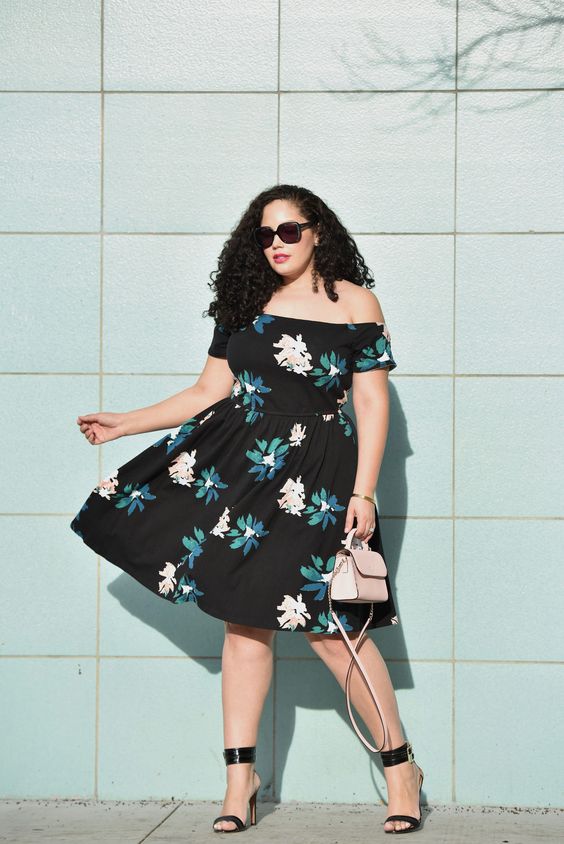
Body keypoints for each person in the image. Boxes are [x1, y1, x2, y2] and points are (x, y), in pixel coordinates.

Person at [70, 184, 424, 834]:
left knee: (335, 632)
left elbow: (372, 402)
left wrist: (364, 491)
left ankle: (401, 769)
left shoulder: (355, 302)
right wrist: (126, 423)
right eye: (264, 234)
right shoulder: (244, 303)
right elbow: (209, 390)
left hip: (320, 479)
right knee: (243, 626)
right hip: (244, 474)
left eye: (289, 230)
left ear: (318, 231)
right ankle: (241, 783)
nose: (276, 244)